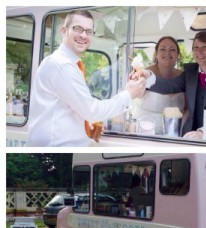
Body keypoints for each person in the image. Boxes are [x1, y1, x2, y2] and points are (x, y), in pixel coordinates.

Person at [27, 10, 147, 147]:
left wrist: (84, 126)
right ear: (64, 31)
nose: (83, 35)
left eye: (89, 31)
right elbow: (92, 111)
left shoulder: (62, 62)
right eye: (78, 29)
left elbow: (66, 107)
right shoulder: (63, 66)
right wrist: (128, 95)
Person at [147, 31, 206, 138]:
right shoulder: (190, 71)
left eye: (205, 47)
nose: (199, 51)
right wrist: (145, 77)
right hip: (189, 134)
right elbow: (168, 86)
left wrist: (203, 132)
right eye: (196, 47)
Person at [131, 36, 185, 135]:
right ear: (156, 54)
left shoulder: (185, 77)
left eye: (172, 49)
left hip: (175, 135)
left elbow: (188, 109)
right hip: (143, 133)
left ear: (178, 54)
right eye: (162, 49)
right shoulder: (143, 74)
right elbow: (132, 95)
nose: (167, 53)